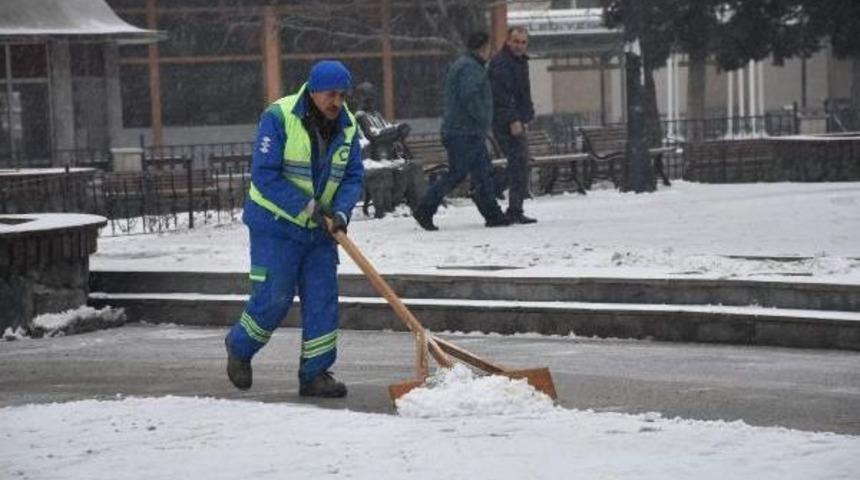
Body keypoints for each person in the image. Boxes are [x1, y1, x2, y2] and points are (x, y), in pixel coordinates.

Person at [224, 60, 364, 398]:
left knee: (322, 300)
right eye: (332, 94)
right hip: (276, 225)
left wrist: (342, 212)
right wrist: (309, 207)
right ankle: (239, 348)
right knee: (274, 298)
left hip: (320, 232)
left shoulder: (348, 127)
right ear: (313, 91)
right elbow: (265, 176)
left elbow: (353, 176)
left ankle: (315, 374)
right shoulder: (279, 116)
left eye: (343, 96)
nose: (337, 102)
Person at [412, 32, 510, 231]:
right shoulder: (471, 68)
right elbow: (470, 98)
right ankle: (424, 208)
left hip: (466, 131)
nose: (491, 52)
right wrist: (484, 119)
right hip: (464, 131)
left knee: (482, 173)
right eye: (490, 47)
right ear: (483, 47)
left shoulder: (465, 65)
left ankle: (493, 214)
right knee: (457, 173)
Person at [488, 26, 537, 224]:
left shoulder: (519, 62)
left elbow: (523, 92)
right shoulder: (502, 63)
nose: (519, 46)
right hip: (505, 121)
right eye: (516, 42)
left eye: (523, 42)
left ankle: (513, 207)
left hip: (515, 118)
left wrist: (527, 114)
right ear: (508, 41)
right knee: (519, 162)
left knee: (520, 163)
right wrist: (513, 119)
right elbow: (502, 95)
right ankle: (492, 189)